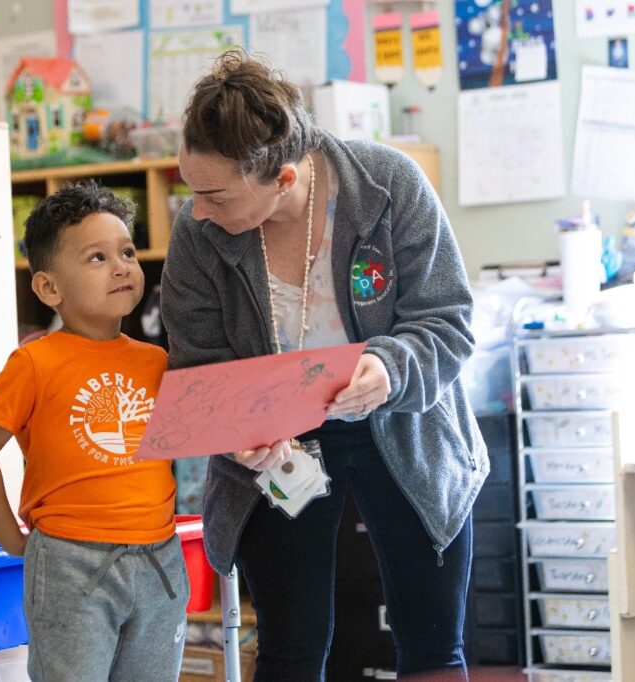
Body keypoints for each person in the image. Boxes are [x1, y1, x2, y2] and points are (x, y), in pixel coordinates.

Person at [160, 50, 489, 681]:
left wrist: (390, 368)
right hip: (282, 452)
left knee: (433, 644)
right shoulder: (199, 235)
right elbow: (198, 368)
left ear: (282, 180)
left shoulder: (386, 187)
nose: (197, 210)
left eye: (214, 194)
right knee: (290, 646)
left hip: (406, 429)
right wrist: (241, 432)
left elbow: (446, 319)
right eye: (190, 188)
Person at [0, 181, 188, 681]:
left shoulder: (159, 361)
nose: (123, 265)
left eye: (127, 251)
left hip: (160, 560)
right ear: (48, 288)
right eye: (97, 257)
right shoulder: (34, 362)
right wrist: (12, 539)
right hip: (69, 562)